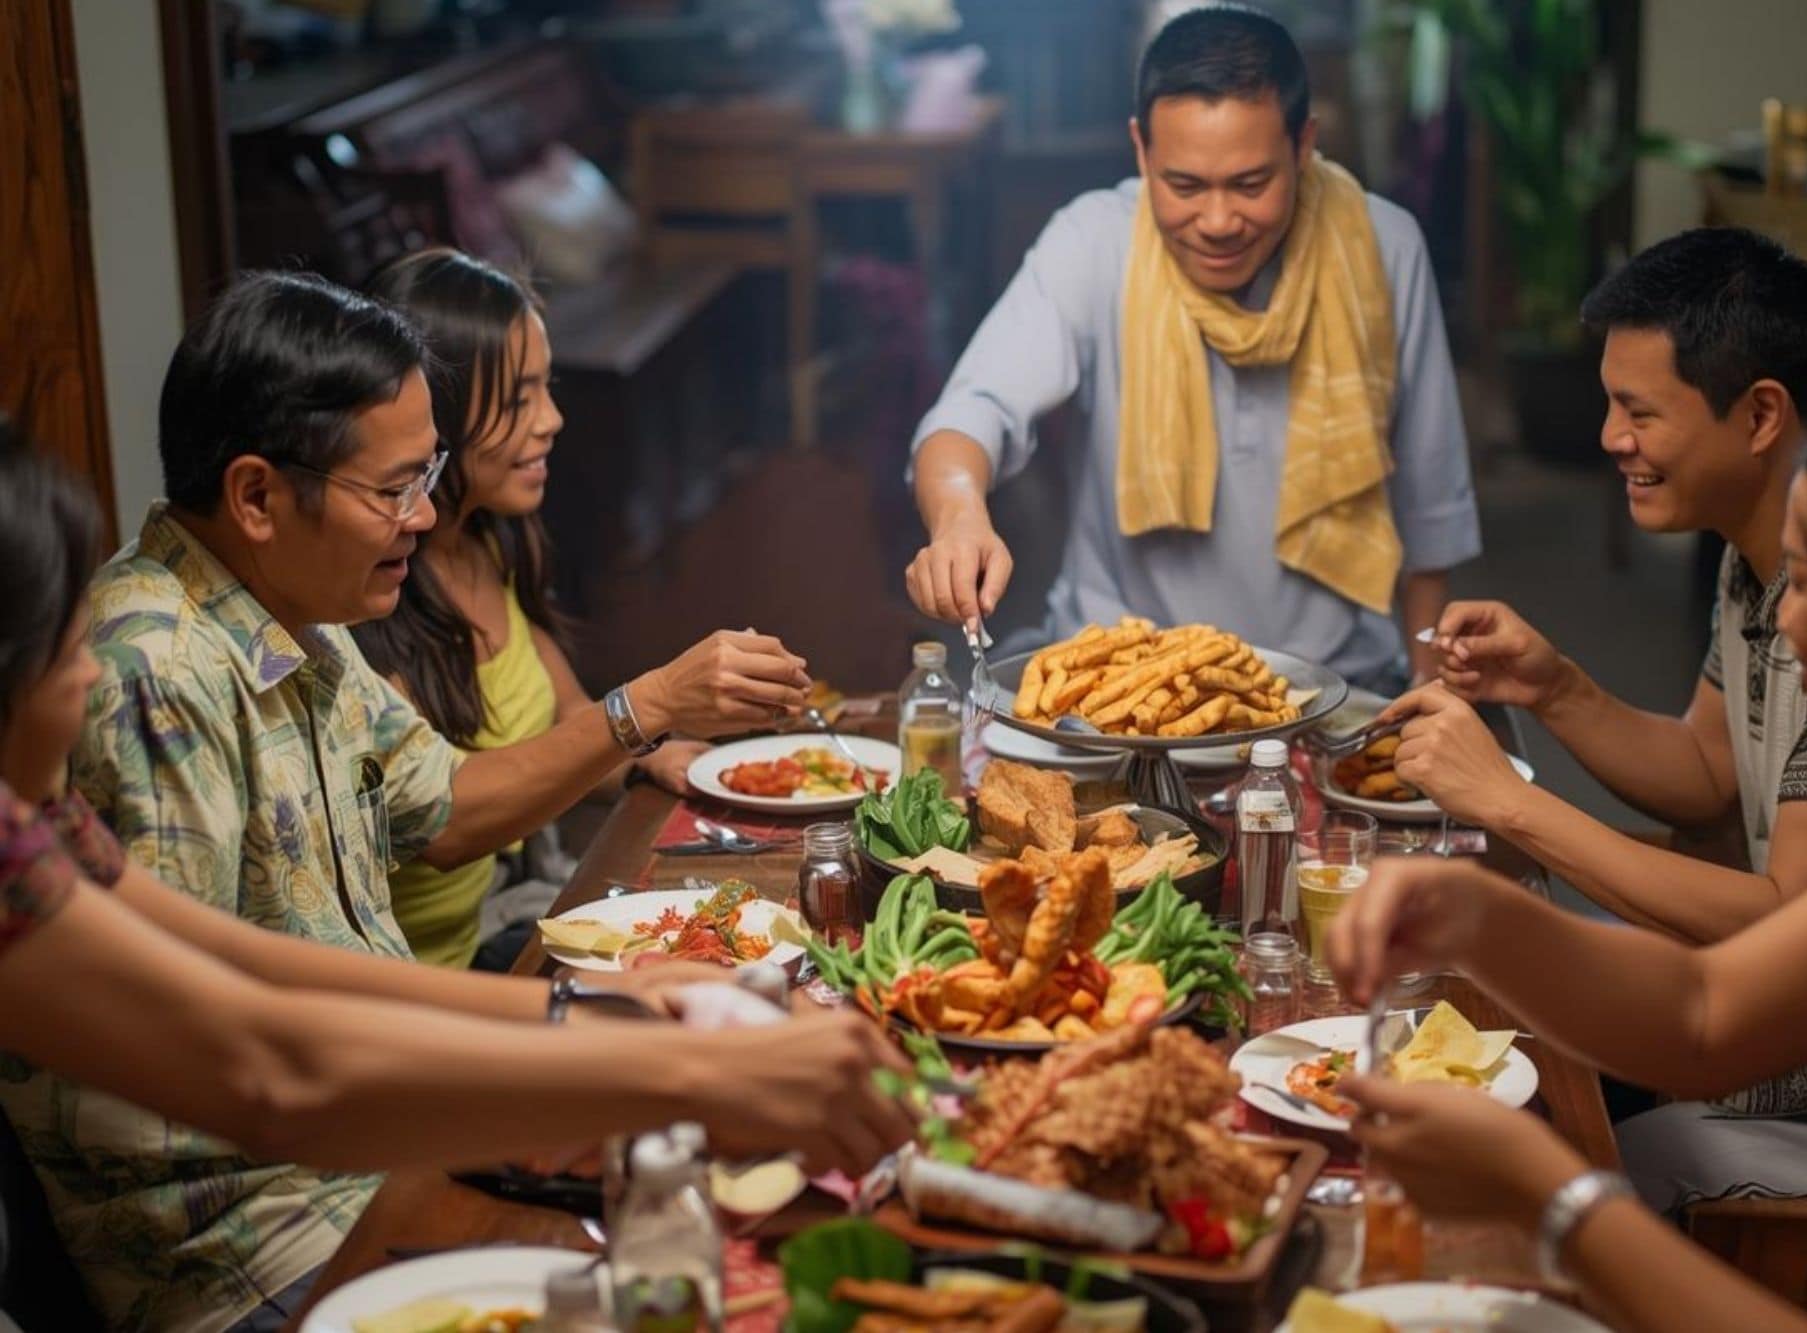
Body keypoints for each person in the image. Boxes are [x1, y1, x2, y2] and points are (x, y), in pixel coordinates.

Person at [7, 271, 804, 1332]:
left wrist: (606, 1014)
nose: (426, 516)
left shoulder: (292, 613)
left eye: (425, 475)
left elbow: (379, 861)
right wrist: (633, 1051)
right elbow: (248, 1064)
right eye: (393, 489)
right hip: (262, 1242)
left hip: (368, 1153)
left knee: (707, 1237)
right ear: (255, 496)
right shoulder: (151, 667)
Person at [1327, 379, 1807, 1332]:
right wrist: (1474, 917)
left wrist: (1553, 1199)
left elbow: (1711, 1008)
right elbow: (1707, 1009)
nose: (1785, 619)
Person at [902, 4, 1478, 693]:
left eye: (1250, 184)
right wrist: (960, 515)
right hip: (1113, 685)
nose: (1216, 221)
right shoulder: (1092, 241)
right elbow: (972, 412)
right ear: (1142, 149)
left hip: (1330, 687)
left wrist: (1424, 683)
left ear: (1303, 145)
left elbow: (1430, 498)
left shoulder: (1385, 249)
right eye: (1183, 185)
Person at [1384, 228, 1807, 944]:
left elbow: (1794, 927)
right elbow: (1708, 771)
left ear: (1759, 415)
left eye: (1639, 411)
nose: (1609, 437)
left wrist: (1511, 804)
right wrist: (1554, 688)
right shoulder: (1749, 551)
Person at [352, 249, 708, 968]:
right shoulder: (366, 593)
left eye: (546, 389)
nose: (551, 420)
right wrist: (651, 703)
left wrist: (654, 756)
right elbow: (447, 826)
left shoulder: (489, 540)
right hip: (431, 980)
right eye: (518, 400)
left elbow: (572, 721)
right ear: (433, 412)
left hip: (501, 928)